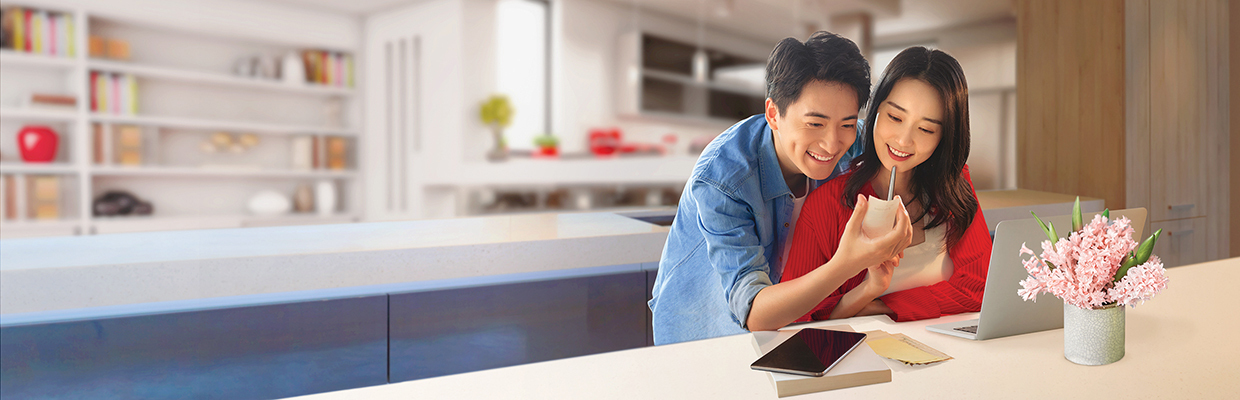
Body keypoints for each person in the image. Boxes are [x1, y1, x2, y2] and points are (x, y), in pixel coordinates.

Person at [647, 32, 913, 345]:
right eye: (815, 123)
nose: (832, 143)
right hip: (703, 334)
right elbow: (756, 313)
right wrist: (848, 263)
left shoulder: (852, 141)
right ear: (774, 114)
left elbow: (901, 140)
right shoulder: (723, 178)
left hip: (786, 327)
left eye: (846, 124)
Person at [781, 47, 992, 323]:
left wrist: (885, 306)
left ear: (946, 136)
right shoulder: (828, 204)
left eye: (926, 129)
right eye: (895, 117)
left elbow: (981, 287)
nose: (904, 141)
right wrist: (868, 291)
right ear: (874, 112)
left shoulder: (955, 187)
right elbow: (803, 318)